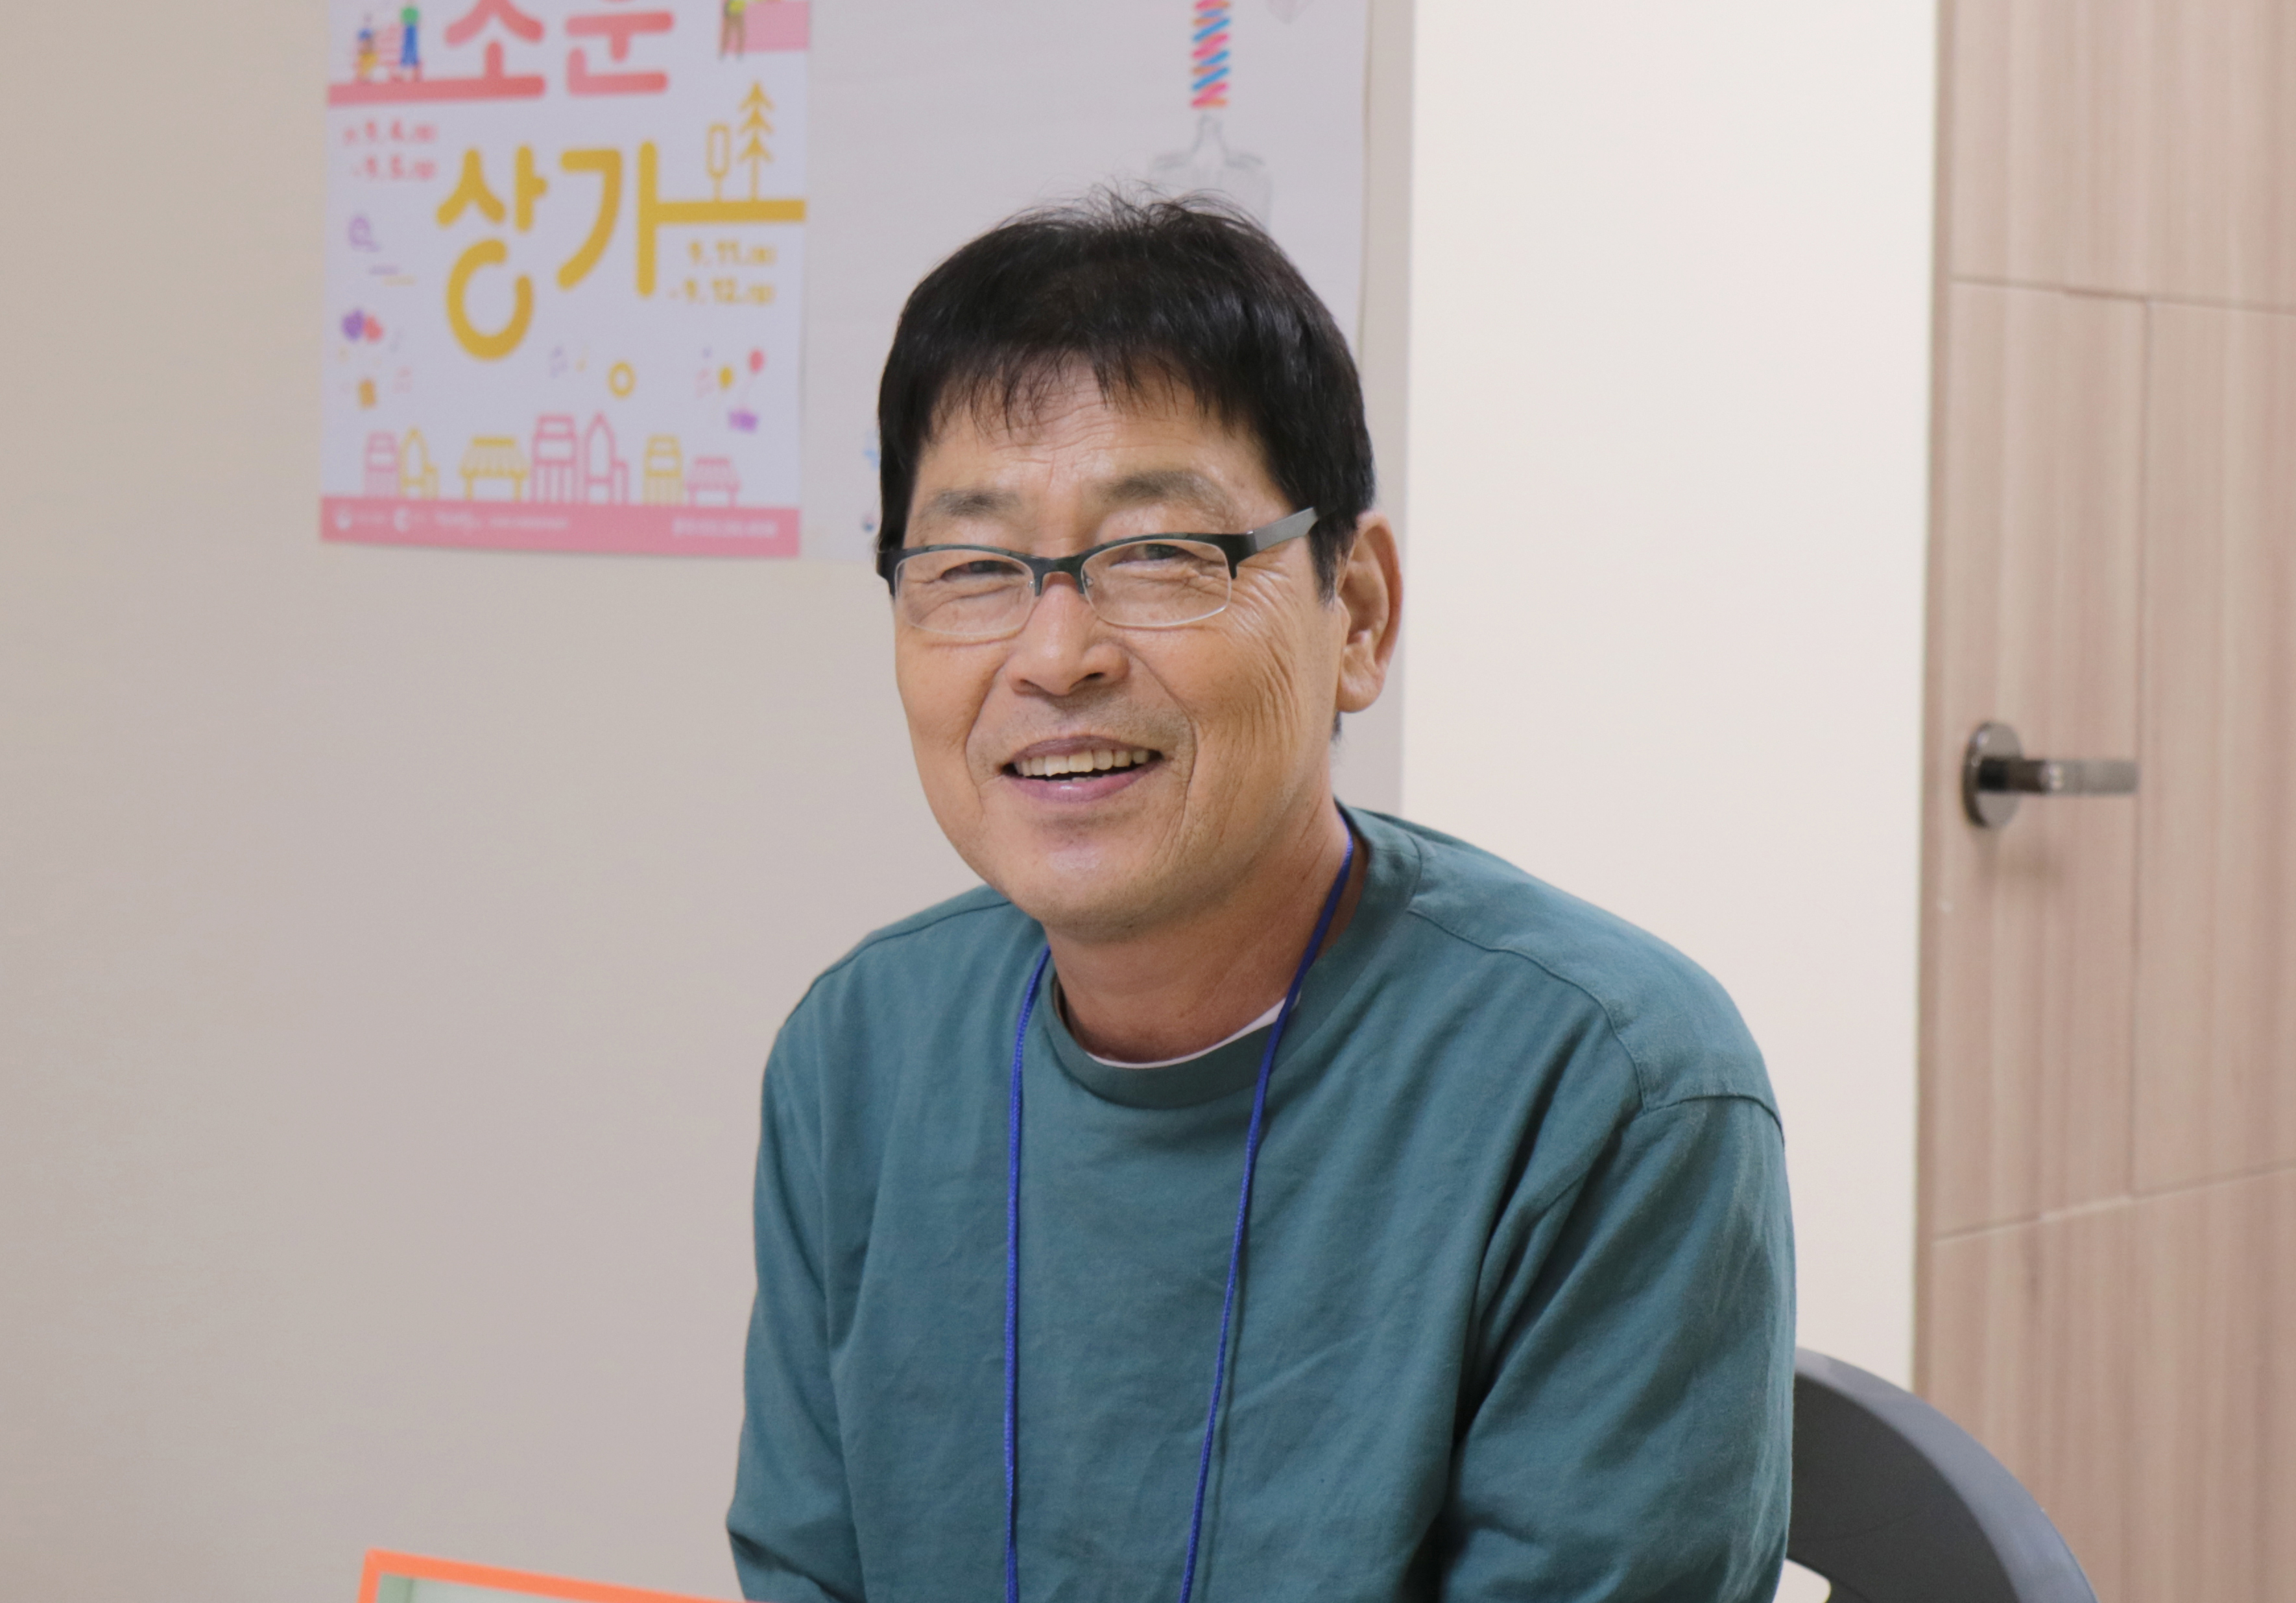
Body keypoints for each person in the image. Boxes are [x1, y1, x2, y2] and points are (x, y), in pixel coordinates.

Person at [729, 194, 1793, 1602]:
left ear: (1359, 613)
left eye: (1159, 555)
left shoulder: (1605, 1088)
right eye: (973, 569)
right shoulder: (861, 1051)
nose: (1054, 654)